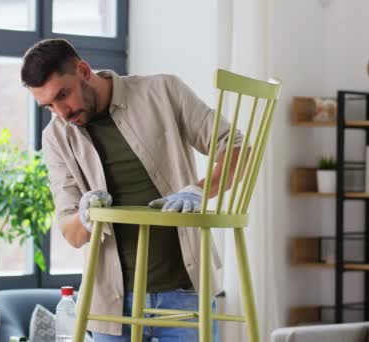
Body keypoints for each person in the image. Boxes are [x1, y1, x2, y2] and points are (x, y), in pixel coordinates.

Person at [21, 38, 243, 341]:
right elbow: (71, 233)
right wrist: (86, 216)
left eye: (64, 94)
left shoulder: (163, 92)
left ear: (84, 71)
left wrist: (198, 190)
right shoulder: (56, 138)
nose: (62, 111)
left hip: (184, 296)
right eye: (48, 105)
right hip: (111, 307)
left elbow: (236, 148)